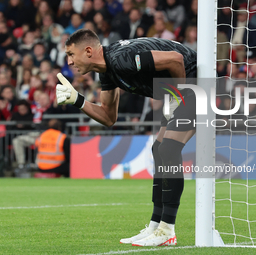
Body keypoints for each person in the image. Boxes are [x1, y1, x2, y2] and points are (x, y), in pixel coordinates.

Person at [56, 29, 197, 246]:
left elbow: (175, 59)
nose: (70, 62)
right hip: (181, 92)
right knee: (158, 150)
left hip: (200, 85)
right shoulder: (107, 72)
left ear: (88, 51)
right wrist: (78, 100)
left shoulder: (122, 59)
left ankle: (167, 230)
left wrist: (177, 96)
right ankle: (155, 225)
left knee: (168, 149)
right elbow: (108, 117)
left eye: (71, 54)